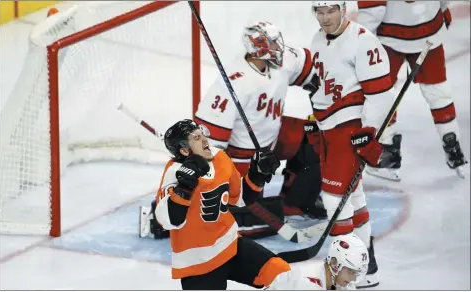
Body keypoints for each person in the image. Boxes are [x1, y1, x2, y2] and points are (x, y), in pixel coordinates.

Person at [152, 119, 331, 290]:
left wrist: (258, 173)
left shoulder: (219, 157)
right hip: (197, 264)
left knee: (281, 275)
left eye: (203, 134)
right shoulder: (175, 172)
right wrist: (184, 187)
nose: (205, 139)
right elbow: (168, 220)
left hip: (231, 245)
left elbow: (241, 197)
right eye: (197, 138)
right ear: (184, 151)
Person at [194, 21, 327, 224]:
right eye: (272, 44)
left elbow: (315, 71)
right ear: (257, 49)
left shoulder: (283, 61)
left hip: (273, 140)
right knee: (241, 216)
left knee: (317, 137)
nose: (279, 48)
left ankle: (294, 203)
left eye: (277, 42)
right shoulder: (233, 82)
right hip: (242, 158)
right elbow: (208, 142)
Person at [306, 1, 399, 288]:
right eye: (319, 12)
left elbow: (382, 95)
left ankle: (345, 276)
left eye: (330, 11)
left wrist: (369, 135)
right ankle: (366, 266)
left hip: (349, 131)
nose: (325, 18)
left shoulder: (363, 42)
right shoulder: (317, 38)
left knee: (336, 201)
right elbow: (317, 85)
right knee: (354, 199)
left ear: (343, 8)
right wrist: (313, 118)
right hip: (328, 131)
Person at [356, 0, 468, 180]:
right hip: (429, 31)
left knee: (381, 93)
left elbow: (373, 11)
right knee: (438, 92)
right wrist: (442, 11)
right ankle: (452, 143)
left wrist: (358, 41)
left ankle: (387, 154)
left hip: (390, 36)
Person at [268, 234, 370, 290]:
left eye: (356, 273)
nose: (354, 278)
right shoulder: (307, 283)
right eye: (351, 272)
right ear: (334, 263)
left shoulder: (344, 284)